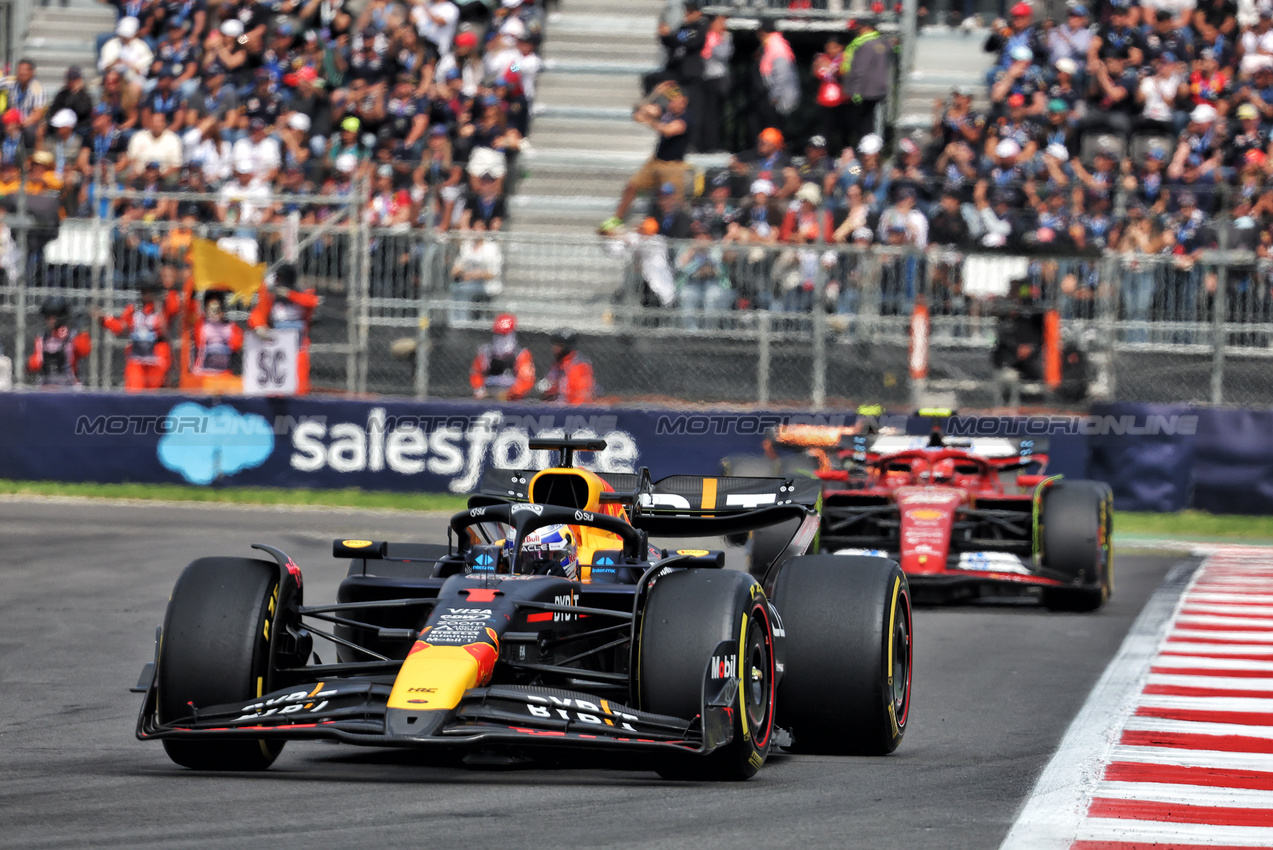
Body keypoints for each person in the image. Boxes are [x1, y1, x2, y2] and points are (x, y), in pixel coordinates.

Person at [603, 82, 691, 230]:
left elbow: (669, 130)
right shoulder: (666, 113)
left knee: (676, 201)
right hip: (656, 161)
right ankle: (617, 219)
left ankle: (678, 230)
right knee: (632, 186)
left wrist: (650, 121)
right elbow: (638, 112)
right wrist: (654, 94)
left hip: (673, 166)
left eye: (674, 100)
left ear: (683, 101)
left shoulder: (688, 118)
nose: (671, 103)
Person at [95, 278, 180, 391]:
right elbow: (121, 326)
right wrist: (105, 320)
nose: (146, 295)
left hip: (157, 357)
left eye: (149, 291)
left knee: (154, 391)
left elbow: (174, 308)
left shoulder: (162, 310)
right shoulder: (134, 310)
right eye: (144, 291)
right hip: (137, 357)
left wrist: (170, 289)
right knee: (134, 389)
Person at [248, 263, 319, 395]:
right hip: (277, 346)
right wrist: (259, 327)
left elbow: (312, 301)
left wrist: (290, 295)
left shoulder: (301, 296)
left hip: (298, 346)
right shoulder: (271, 298)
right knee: (277, 384)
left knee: (299, 382)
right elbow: (257, 314)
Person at [841, 21, 892, 148]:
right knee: (872, 120)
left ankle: (862, 149)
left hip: (865, 91)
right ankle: (871, 147)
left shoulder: (865, 44)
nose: (858, 30)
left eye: (860, 27)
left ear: (867, 28)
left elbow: (860, 69)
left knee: (861, 123)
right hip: (879, 90)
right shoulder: (883, 43)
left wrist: (855, 91)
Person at [184, 289, 244, 392]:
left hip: (224, 374)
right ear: (206, 310)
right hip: (203, 373)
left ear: (222, 311)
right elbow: (190, 313)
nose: (214, 313)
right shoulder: (201, 325)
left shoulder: (230, 327)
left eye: (217, 310)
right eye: (211, 309)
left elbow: (236, 345)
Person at [469, 312, 535, 401]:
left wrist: (511, 393)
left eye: (505, 335)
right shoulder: (485, 353)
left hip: (512, 400)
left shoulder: (521, 354)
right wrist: (479, 389)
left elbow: (526, 380)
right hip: (488, 397)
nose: (501, 338)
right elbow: (476, 373)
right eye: (498, 334)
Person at [27, 297, 90, 387]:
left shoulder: (72, 336)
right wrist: (30, 364)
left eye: (52, 317)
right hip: (47, 384)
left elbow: (84, 351)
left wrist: (83, 332)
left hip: (69, 385)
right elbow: (36, 363)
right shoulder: (43, 337)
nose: (49, 320)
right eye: (47, 317)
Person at [540, 329, 595, 404]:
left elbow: (582, 396)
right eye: (554, 344)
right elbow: (550, 389)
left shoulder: (578, 365)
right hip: (557, 407)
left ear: (565, 347)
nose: (553, 348)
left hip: (572, 411)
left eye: (557, 345)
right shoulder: (558, 363)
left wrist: (570, 411)